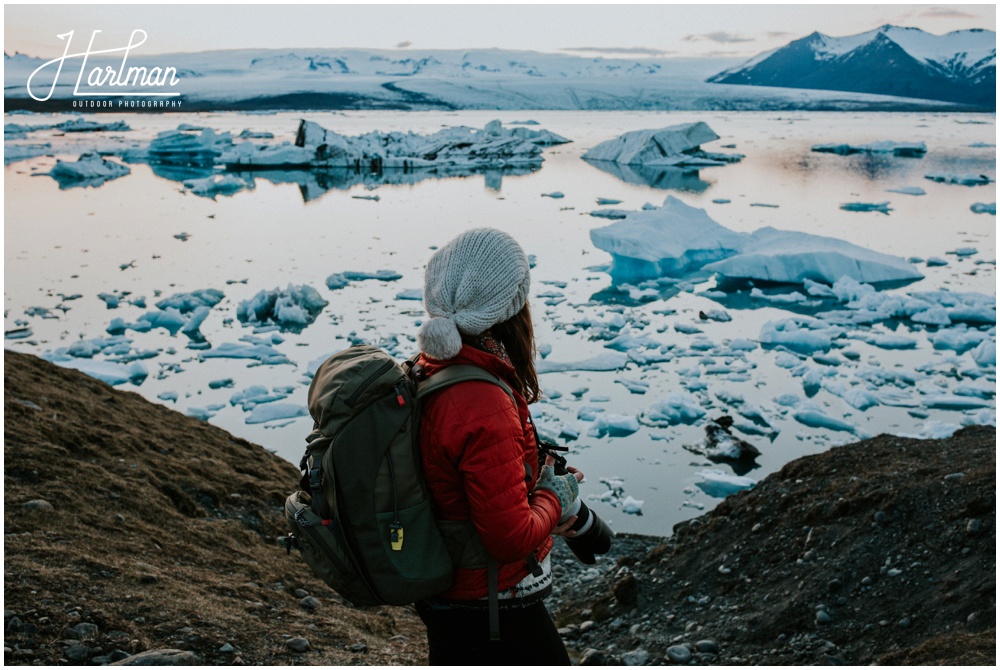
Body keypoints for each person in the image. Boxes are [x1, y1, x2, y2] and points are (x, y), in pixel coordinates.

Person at [413, 227, 584, 665]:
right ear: (510, 307)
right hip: (486, 600)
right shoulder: (482, 400)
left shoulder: (433, 366)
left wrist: (533, 469)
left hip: (447, 592)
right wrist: (554, 496)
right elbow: (509, 539)